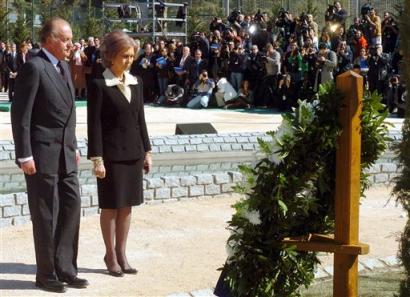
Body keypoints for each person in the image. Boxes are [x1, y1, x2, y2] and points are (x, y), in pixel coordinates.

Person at [10, 17, 88, 293]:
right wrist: (24, 155)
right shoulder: (34, 67)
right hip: (42, 155)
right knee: (46, 215)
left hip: (67, 154)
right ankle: (46, 274)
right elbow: (21, 115)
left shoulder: (65, 67)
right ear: (50, 40)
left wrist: (75, 146)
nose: (71, 44)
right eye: (66, 39)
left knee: (71, 209)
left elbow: (69, 114)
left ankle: (66, 268)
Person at [87, 30, 152, 277]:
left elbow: (141, 120)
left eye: (132, 56)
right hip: (111, 156)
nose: (129, 60)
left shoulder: (137, 82)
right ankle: (110, 255)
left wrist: (147, 151)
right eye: (124, 56)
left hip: (134, 153)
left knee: (127, 207)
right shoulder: (98, 85)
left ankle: (122, 252)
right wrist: (97, 158)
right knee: (111, 207)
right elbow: (94, 125)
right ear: (111, 56)